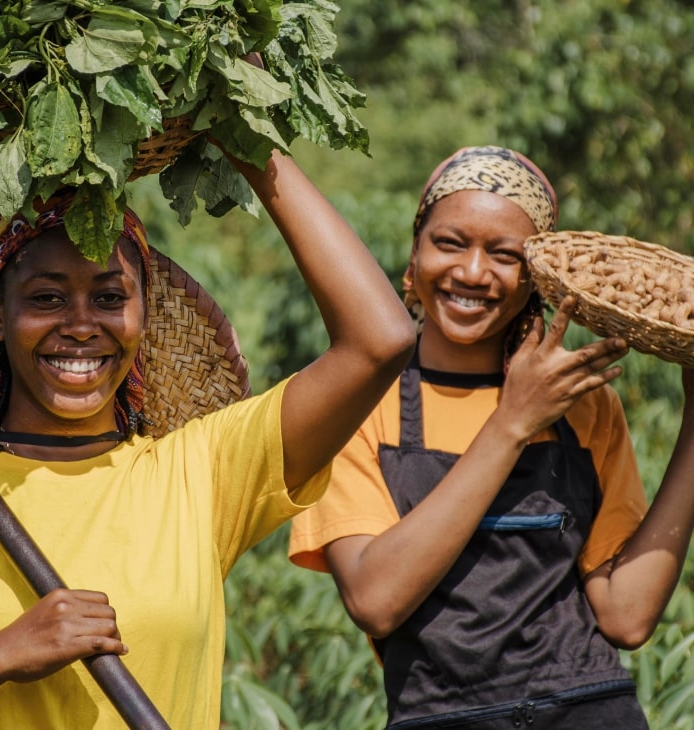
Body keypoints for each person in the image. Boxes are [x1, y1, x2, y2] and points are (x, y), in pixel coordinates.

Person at [0, 143, 417, 729]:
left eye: (109, 297)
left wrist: (247, 138)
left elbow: (380, 341)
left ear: (143, 315)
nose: (79, 325)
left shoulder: (201, 473)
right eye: (46, 298)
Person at [288, 145, 694, 728]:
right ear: (414, 251)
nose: (473, 273)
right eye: (450, 243)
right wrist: (512, 423)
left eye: (504, 255)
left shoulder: (583, 405)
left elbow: (627, 617)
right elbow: (376, 601)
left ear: (536, 278)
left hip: (589, 709)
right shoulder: (357, 404)